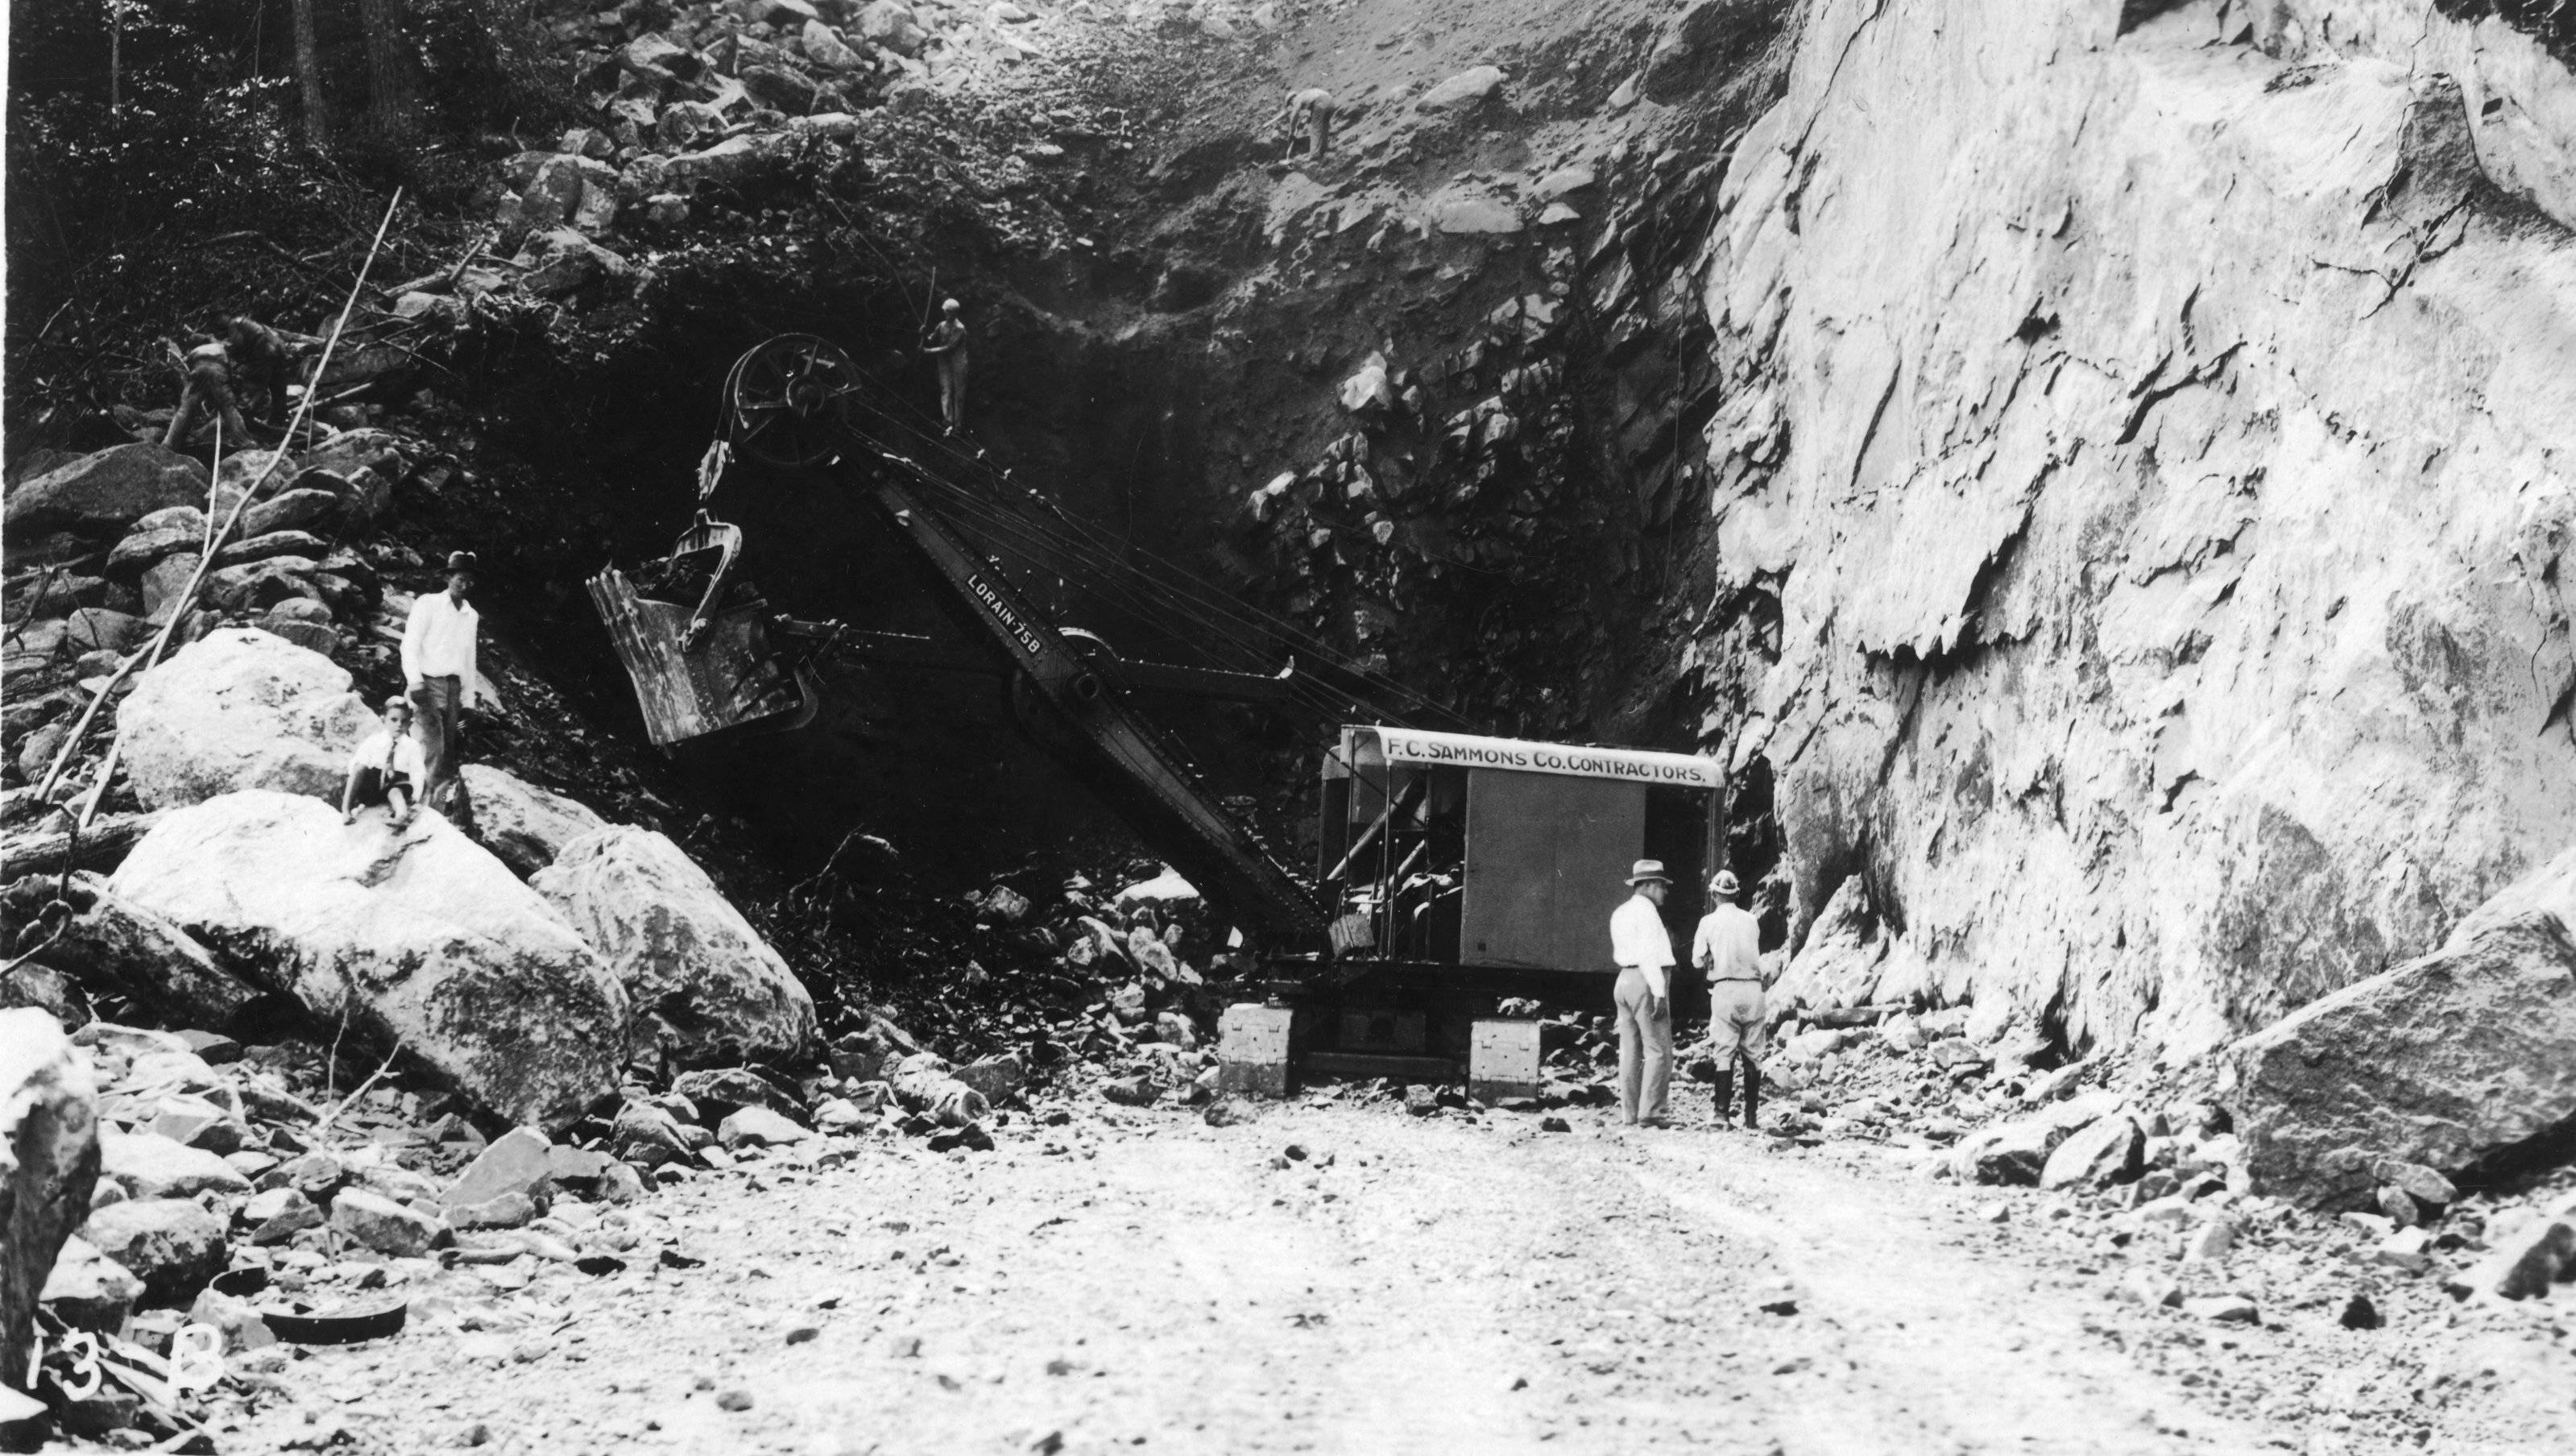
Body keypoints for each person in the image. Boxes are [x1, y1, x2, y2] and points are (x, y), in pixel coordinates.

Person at [401, 551, 482, 828]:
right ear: (449, 578)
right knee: (429, 746)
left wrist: (468, 702)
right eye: (461, 579)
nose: (465, 585)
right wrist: (415, 681)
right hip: (427, 682)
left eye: (470, 581)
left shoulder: (471, 615)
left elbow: (470, 660)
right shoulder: (429, 604)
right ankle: (413, 807)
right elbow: (409, 644)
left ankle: (433, 813)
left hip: (453, 688)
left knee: (447, 752)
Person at [1692, 869, 1767, 1130]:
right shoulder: (1751, 920)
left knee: (1725, 1052)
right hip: (1753, 989)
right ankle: (1751, 1117)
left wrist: (1710, 958)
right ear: (1736, 893)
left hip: (1725, 988)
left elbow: (1696, 959)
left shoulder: (1708, 922)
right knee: (1754, 1054)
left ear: (1714, 894)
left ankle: (1722, 1115)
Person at [1609, 858, 1678, 1127]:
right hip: (1646, 980)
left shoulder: (1620, 912)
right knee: (1658, 1049)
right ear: (1648, 886)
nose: (1665, 892)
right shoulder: (1647, 913)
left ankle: (1630, 1113)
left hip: (1624, 979)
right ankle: (1652, 1112)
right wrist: (1659, 990)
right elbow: (1648, 954)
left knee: (1629, 1050)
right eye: (1661, 886)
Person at [341, 694, 429, 828]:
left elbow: (418, 772)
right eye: (393, 720)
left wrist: (416, 798)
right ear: (383, 720)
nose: (399, 725)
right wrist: (363, 771)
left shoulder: (412, 746)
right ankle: (346, 811)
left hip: (396, 784)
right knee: (360, 767)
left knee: (396, 789)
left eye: (404, 721)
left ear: (410, 723)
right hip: (373, 785)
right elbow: (356, 766)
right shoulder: (373, 741)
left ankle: (401, 816)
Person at [224, 315, 324, 425]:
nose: (218, 321)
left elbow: (238, 343)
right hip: (278, 347)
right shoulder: (250, 322)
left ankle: (239, 420)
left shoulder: (234, 323)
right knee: (278, 386)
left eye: (218, 318)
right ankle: (279, 418)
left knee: (254, 387)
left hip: (264, 350)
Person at [161, 333, 252, 449]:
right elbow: (228, 372)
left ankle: (169, 444)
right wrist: (227, 393)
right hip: (219, 371)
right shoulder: (219, 348)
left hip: (199, 370)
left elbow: (191, 370)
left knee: (185, 410)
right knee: (229, 409)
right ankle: (246, 443)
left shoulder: (194, 351)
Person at [923, 298, 969, 434]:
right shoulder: (941, 325)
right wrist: (924, 333)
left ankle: (958, 425)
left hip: (958, 363)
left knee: (959, 394)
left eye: (950, 311)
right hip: (944, 363)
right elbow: (930, 339)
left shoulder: (960, 328)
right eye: (946, 311)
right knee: (946, 390)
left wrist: (928, 351)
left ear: (955, 313)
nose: (947, 313)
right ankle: (948, 421)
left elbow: (950, 347)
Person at [1281, 86, 1335, 161]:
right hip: (1330, 102)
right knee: (1323, 126)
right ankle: (1323, 149)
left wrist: (1291, 133)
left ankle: (1314, 154)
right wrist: (1303, 122)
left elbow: (1294, 116)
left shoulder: (1297, 99)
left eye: (1291, 104)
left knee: (1315, 129)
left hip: (1320, 102)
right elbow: (1313, 114)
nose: (1292, 106)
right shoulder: (1307, 94)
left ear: (1291, 99)